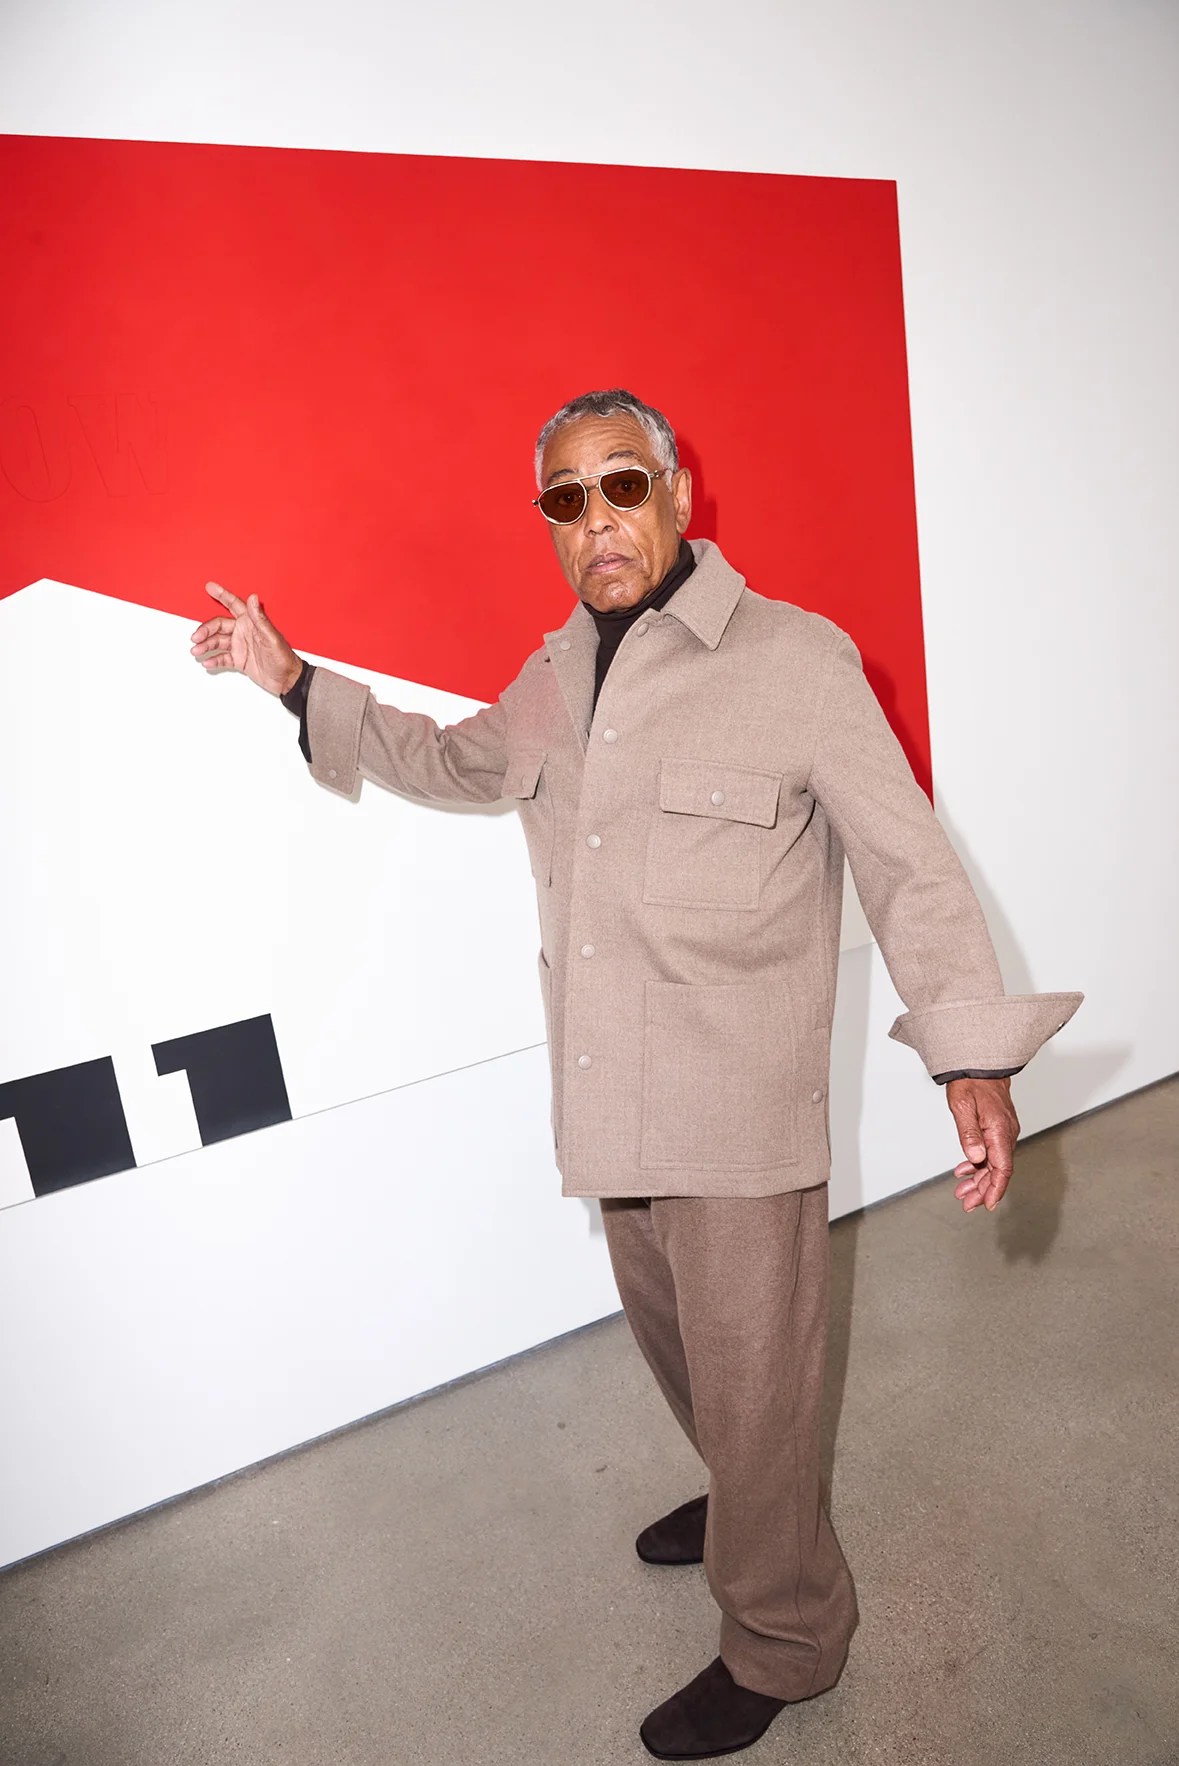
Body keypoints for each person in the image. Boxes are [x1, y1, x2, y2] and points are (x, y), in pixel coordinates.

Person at [189, 389, 1082, 1761]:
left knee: (759, 1381)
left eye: (620, 484)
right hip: (614, 1103)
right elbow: (455, 763)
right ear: (549, 524)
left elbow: (909, 864)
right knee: (689, 1355)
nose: (596, 519)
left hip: (739, 1115)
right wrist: (299, 684)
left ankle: (789, 1638)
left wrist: (969, 1054)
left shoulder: (797, 660)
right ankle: (746, 1501)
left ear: (676, 494)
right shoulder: (557, 677)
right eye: (566, 497)